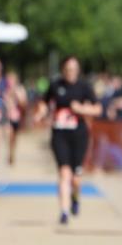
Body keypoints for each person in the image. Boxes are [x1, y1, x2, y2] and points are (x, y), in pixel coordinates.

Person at [34, 56, 101, 225]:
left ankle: (75, 197)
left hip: (79, 134)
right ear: (63, 70)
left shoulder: (84, 87)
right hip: (60, 134)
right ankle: (64, 211)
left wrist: (81, 108)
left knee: (76, 178)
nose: (70, 72)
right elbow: (45, 102)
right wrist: (40, 113)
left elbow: (98, 109)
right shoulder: (56, 85)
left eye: (74, 69)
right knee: (64, 172)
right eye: (68, 69)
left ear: (78, 70)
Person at [4, 71, 28, 165]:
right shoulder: (4, 90)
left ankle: (12, 152)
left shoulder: (20, 89)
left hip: (16, 117)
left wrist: (17, 97)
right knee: (9, 134)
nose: (10, 81)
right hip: (6, 118)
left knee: (14, 138)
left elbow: (24, 105)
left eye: (12, 79)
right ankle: (9, 153)